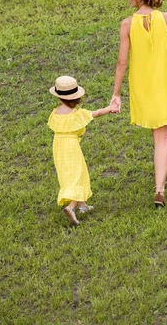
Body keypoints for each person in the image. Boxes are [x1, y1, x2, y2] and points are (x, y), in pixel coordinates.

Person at [111, 0, 167, 208]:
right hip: (164, 84)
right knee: (162, 136)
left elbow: (121, 62)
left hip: (142, 86)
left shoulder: (127, 24)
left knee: (159, 135)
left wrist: (116, 94)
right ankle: (160, 190)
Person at [48, 75, 114, 226]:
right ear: (76, 97)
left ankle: (83, 205)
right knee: (78, 175)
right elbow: (95, 113)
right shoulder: (76, 114)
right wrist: (109, 109)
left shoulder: (55, 114)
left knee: (69, 176)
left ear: (59, 98)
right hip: (72, 146)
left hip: (58, 147)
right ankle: (71, 207)